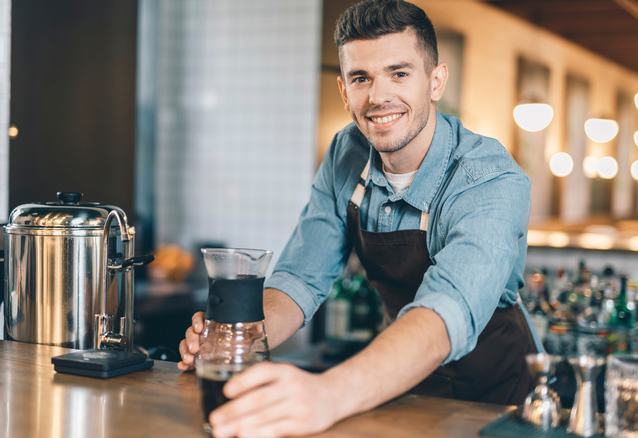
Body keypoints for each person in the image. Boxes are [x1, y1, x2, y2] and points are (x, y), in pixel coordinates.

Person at [179, 0, 538, 436]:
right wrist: (242, 339)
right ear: (344, 91)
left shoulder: (489, 178)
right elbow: (299, 279)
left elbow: (446, 313)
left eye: (399, 73)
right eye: (361, 78)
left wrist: (326, 395)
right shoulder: (346, 152)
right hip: (401, 386)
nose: (378, 96)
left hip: (501, 404)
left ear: (435, 81)